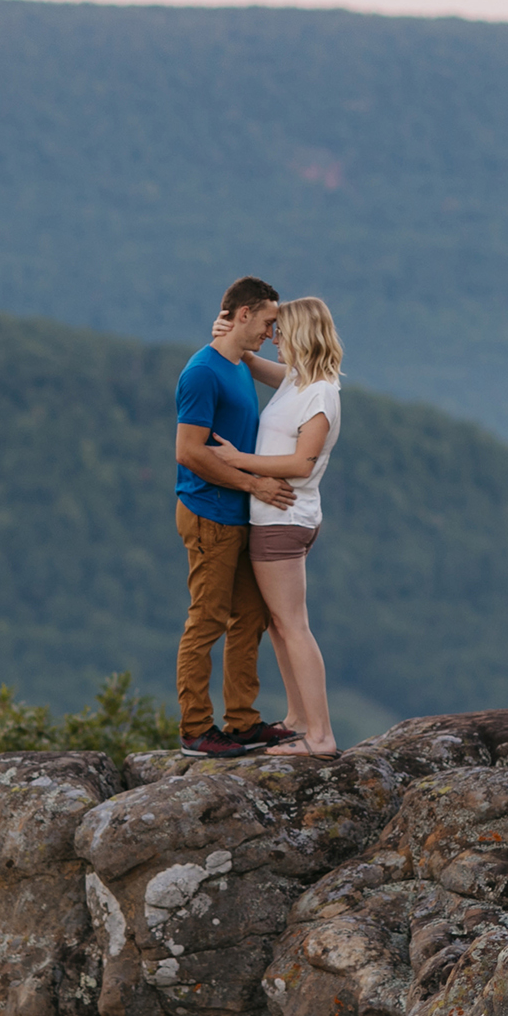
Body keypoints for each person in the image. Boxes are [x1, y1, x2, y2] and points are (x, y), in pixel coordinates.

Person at [208, 297, 344, 757]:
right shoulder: (298, 381)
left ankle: (320, 736)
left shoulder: (320, 393)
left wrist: (238, 462)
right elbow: (250, 363)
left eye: (280, 332)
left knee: (293, 626)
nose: (274, 338)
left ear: (301, 335)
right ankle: (300, 719)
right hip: (280, 518)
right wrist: (233, 336)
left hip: (284, 518)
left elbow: (302, 463)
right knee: (282, 627)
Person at [172, 277, 300, 759]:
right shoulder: (202, 373)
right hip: (210, 513)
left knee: (250, 615)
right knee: (206, 621)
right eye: (268, 322)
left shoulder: (235, 364)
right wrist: (254, 484)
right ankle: (196, 731)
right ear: (244, 314)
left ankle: (242, 723)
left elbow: (293, 373)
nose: (272, 332)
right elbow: (189, 452)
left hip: (240, 514)